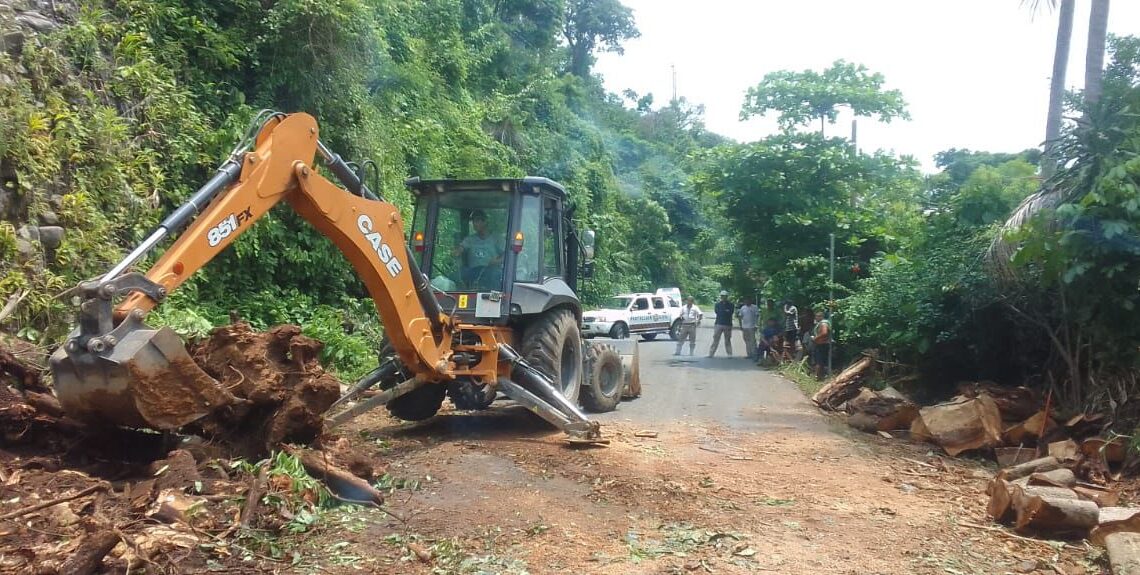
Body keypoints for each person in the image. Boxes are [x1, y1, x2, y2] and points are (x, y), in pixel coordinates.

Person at [453, 210, 502, 289]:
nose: (474, 224)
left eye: (477, 221)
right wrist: (457, 251)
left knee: (496, 275)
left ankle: (494, 297)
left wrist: (497, 261)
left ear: (485, 221)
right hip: (473, 272)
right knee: (456, 275)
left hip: (491, 272)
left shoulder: (496, 238)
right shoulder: (470, 239)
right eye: (473, 221)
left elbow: (507, 255)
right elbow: (461, 248)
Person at [708, 290, 734, 357]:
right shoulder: (717, 304)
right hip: (718, 323)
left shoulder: (731, 305)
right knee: (715, 339)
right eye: (722, 296)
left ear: (727, 296)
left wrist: (724, 311)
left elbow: (730, 312)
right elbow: (717, 312)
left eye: (724, 296)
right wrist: (725, 311)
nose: (723, 297)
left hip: (727, 324)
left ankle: (729, 354)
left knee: (727, 340)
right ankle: (711, 353)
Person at [811, 311, 832, 379]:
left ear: (821, 317)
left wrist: (815, 338)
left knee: (819, 361)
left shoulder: (823, 323)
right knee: (820, 361)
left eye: (817, 316)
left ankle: (816, 375)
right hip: (821, 344)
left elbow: (824, 332)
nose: (816, 318)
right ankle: (821, 375)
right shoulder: (821, 323)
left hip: (822, 344)